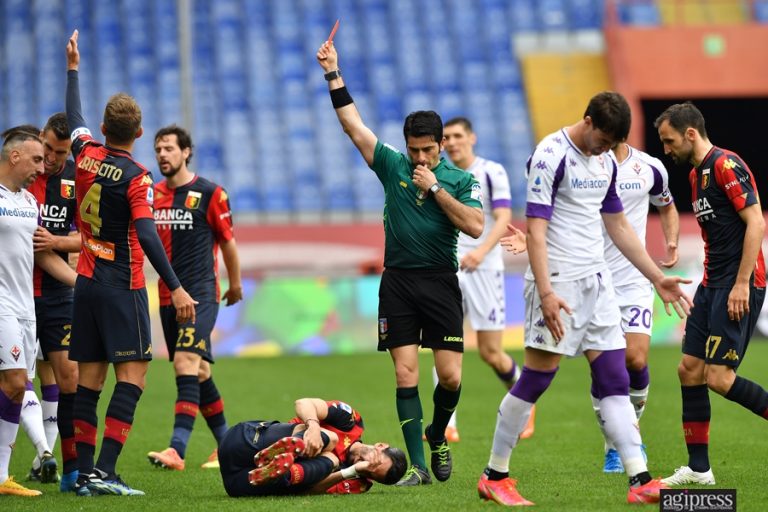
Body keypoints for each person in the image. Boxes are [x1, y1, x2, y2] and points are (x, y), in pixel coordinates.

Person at [477, 91, 693, 506]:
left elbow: (619, 226)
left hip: (599, 284)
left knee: (615, 378)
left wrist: (655, 277)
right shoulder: (550, 154)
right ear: (588, 121)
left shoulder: (607, 159)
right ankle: (494, 474)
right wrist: (546, 293)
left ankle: (640, 479)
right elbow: (536, 229)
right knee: (538, 378)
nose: (607, 150)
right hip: (558, 281)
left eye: (614, 144)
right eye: (603, 140)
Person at [316, 39, 484, 486]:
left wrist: (435, 189)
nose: (420, 158)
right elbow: (354, 127)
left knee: (449, 378)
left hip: (440, 282)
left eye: (428, 150)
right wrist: (333, 72)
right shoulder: (392, 166)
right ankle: (417, 467)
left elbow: (475, 227)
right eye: (415, 150)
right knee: (405, 373)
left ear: (441, 145)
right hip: (398, 285)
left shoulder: (460, 179)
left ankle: (437, 432)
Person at [65, 30, 196, 496]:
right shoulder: (138, 179)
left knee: (89, 382)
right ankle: (104, 471)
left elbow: (73, 116)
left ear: (103, 129)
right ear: (140, 134)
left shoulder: (84, 154)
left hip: (85, 282)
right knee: (134, 375)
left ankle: (82, 474)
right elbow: (144, 233)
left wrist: (73, 69)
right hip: (122, 284)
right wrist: (177, 286)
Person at [654, 102, 767, 487]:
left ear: (690, 133)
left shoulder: (726, 165)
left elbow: (756, 221)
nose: (666, 150)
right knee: (689, 370)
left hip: (739, 285)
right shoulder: (695, 176)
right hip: (711, 285)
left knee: (719, 377)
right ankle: (699, 470)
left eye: (669, 142)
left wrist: (740, 283)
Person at [146, 124, 242, 472]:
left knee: (184, 364)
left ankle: (176, 450)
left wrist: (236, 284)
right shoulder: (151, 195)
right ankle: (228, 447)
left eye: (169, 148)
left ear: (186, 152)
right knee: (199, 371)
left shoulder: (211, 193)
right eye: (158, 149)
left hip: (201, 294)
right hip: (167, 296)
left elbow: (228, 242)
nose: (162, 155)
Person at [432, 117, 534, 442]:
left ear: (471, 137)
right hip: (447, 268)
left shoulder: (492, 171)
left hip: (485, 269)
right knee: (442, 342)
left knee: (491, 353)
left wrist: (481, 251)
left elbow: (503, 217)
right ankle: (447, 424)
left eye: (458, 135)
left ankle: (526, 403)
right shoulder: (437, 175)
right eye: (446, 137)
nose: (452, 142)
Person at [592, 140, 680, 473]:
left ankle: (629, 434)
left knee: (635, 358)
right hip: (593, 279)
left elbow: (667, 205)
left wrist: (671, 241)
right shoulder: (582, 166)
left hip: (634, 278)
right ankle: (614, 444)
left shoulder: (650, 168)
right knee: (604, 366)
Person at [0, 128, 78, 497]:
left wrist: (84, 284)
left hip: (25, 306)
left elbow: (42, 255)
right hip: (1, 304)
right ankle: (39, 454)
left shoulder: (30, 203)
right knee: (16, 382)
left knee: (16, 390)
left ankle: (2, 476)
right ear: (14, 157)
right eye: (35, 159)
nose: (41, 166)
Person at [25, 113, 82, 490]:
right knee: (19, 376)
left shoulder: (76, 178)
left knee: (66, 376)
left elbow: (91, 237)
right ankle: (44, 453)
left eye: (59, 152)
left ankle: (63, 465)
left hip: (59, 294)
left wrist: (60, 242)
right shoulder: (24, 177)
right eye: (46, 147)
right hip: (18, 292)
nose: (50, 157)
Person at [218, 398, 407, 496]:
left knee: (331, 461)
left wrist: (351, 471)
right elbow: (303, 403)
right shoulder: (351, 422)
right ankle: (287, 451)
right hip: (247, 441)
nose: (367, 467)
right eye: (374, 462)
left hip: (242, 482)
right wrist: (314, 426)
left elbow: (311, 490)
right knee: (330, 441)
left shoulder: (358, 482)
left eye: (372, 473)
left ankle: (281, 471)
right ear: (380, 446)